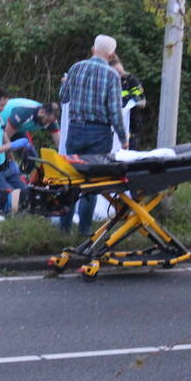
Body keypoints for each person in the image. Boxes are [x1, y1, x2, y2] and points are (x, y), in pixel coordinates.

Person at [58, 34, 126, 235]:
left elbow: (63, 97)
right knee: (91, 181)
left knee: (71, 178)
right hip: (99, 132)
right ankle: (85, 230)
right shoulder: (112, 75)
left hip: (75, 129)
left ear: (93, 48)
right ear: (112, 54)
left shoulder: (75, 68)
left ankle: (64, 228)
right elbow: (115, 111)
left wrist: (65, 83)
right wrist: (124, 138)